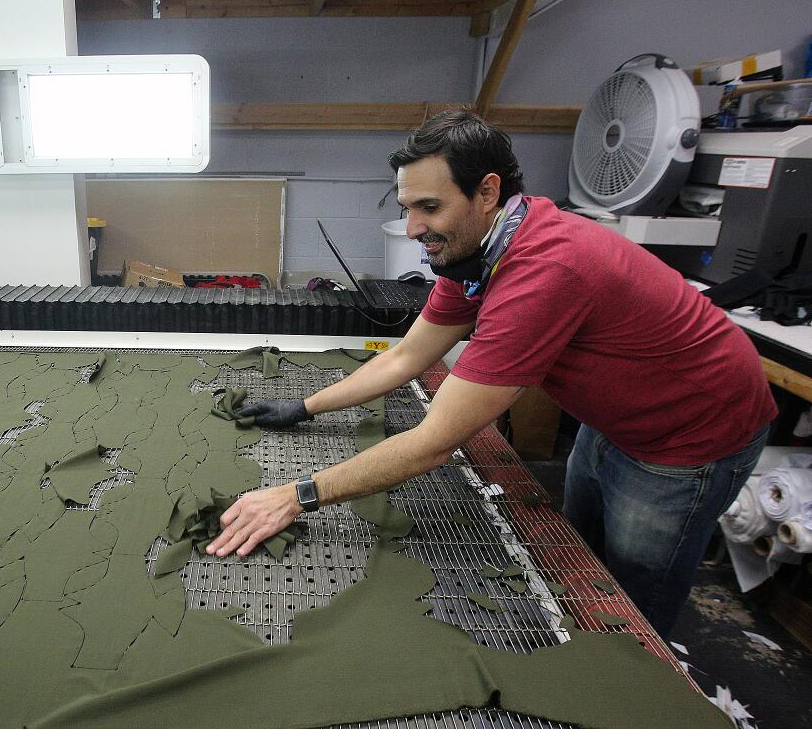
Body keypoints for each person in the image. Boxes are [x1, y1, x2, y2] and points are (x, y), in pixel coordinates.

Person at [204, 109, 776, 638]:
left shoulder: (543, 271)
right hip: (618, 418)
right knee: (578, 556)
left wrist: (297, 495)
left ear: (487, 192)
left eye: (429, 207)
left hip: (691, 435)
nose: (411, 228)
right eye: (406, 207)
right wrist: (304, 407)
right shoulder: (475, 251)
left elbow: (435, 443)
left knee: (633, 598)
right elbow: (407, 357)